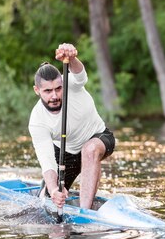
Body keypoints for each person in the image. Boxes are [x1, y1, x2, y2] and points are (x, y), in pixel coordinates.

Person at [29, 43, 115, 210]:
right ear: (37, 90)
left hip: (99, 137)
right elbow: (47, 161)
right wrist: (54, 190)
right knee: (47, 199)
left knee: (89, 151)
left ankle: (85, 211)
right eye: (47, 91)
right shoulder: (37, 120)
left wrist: (72, 58)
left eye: (58, 89)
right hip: (66, 153)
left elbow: (81, 75)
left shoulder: (71, 85)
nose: (54, 96)